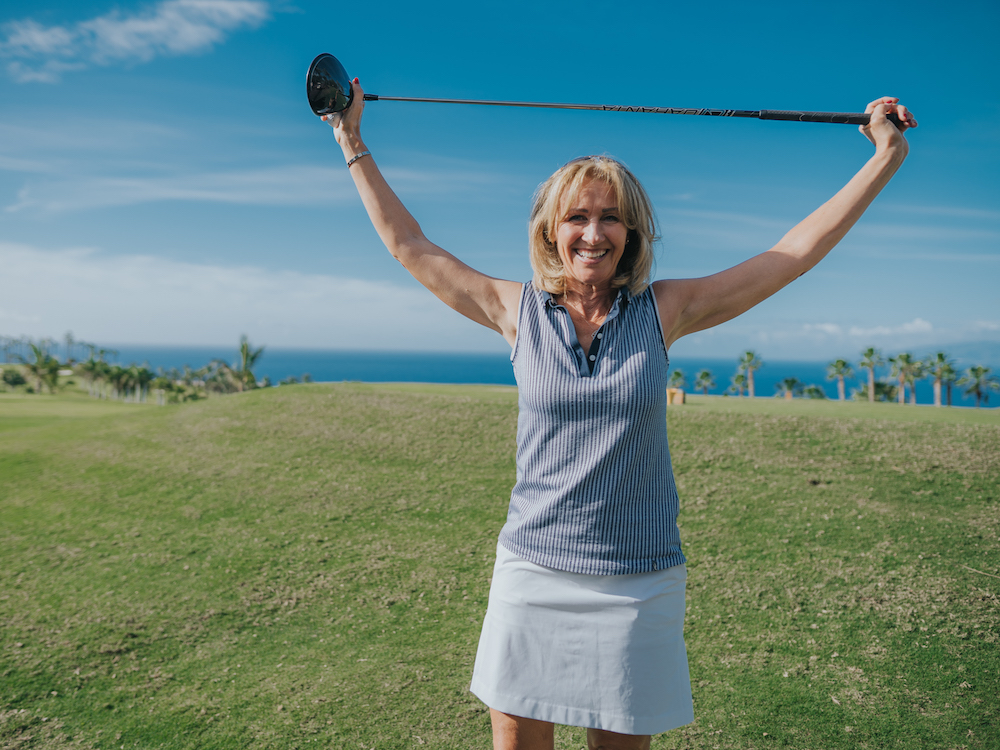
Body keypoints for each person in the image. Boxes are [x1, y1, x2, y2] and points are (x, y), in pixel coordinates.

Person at [322, 81, 916, 750]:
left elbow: (791, 255)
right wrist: (352, 141)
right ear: (550, 228)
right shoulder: (514, 310)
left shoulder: (663, 311)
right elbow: (411, 246)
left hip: (638, 582)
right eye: (577, 216)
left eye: (610, 218)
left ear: (632, 233)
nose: (593, 233)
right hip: (533, 574)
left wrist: (882, 159)